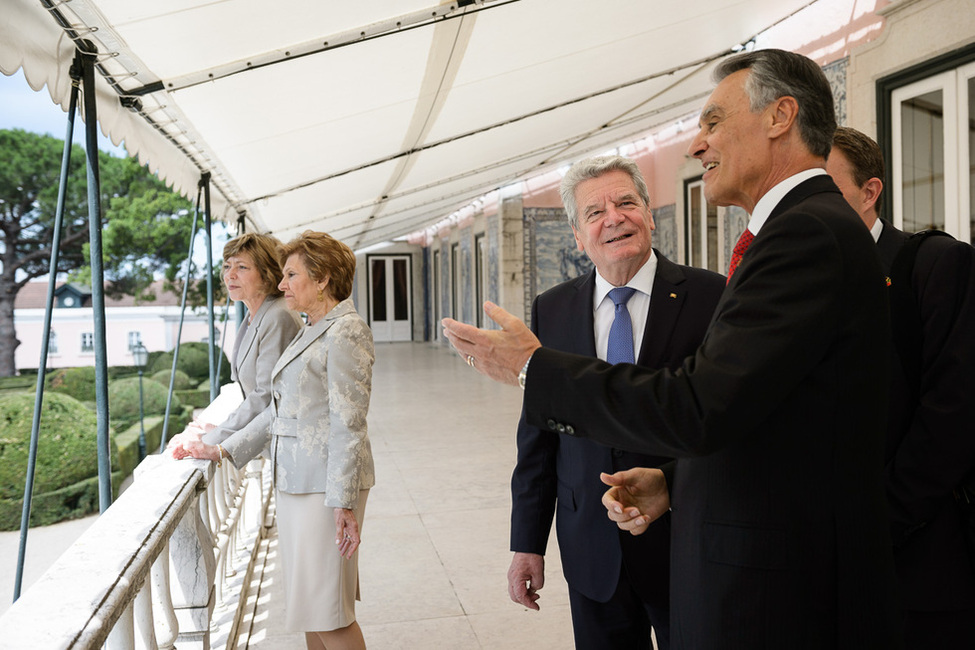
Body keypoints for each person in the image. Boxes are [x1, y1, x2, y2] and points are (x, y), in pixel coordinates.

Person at [443, 48, 903, 648]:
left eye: (713, 121)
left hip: (777, 586)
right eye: (595, 213)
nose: (696, 146)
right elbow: (763, 416)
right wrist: (675, 485)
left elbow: (697, 404)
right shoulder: (803, 231)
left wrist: (534, 368)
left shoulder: (804, 234)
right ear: (578, 236)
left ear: (779, 116)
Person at [508, 155, 724, 649]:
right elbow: (537, 438)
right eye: (594, 212)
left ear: (648, 212)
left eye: (626, 202)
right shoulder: (552, 308)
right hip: (591, 550)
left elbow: (724, 419)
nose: (613, 217)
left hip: (684, 544)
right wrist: (527, 544)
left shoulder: (711, 297)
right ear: (577, 234)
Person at [180, 231, 375, 650]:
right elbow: (281, 408)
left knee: (329, 611)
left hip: (325, 488)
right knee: (310, 605)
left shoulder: (345, 332)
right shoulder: (313, 329)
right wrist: (223, 448)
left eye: (291, 275)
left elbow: (349, 424)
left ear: (321, 279)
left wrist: (342, 502)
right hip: (297, 482)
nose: (281, 284)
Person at [826, 126, 975, 648]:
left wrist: (878, 521)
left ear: (870, 192)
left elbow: (953, 413)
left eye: (826, 188)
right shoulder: (798, 283)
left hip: (921, 563)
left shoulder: (933, 264)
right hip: (828, 568)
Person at [168, 232, 301, 456]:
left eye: (241, 267)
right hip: (277, 448)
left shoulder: (278, 316)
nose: (229, 275)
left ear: (267, 274)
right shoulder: (254, 316)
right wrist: (220, 430)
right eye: (227, 266)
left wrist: (213, 440)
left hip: (294, 452)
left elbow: (265, 396)